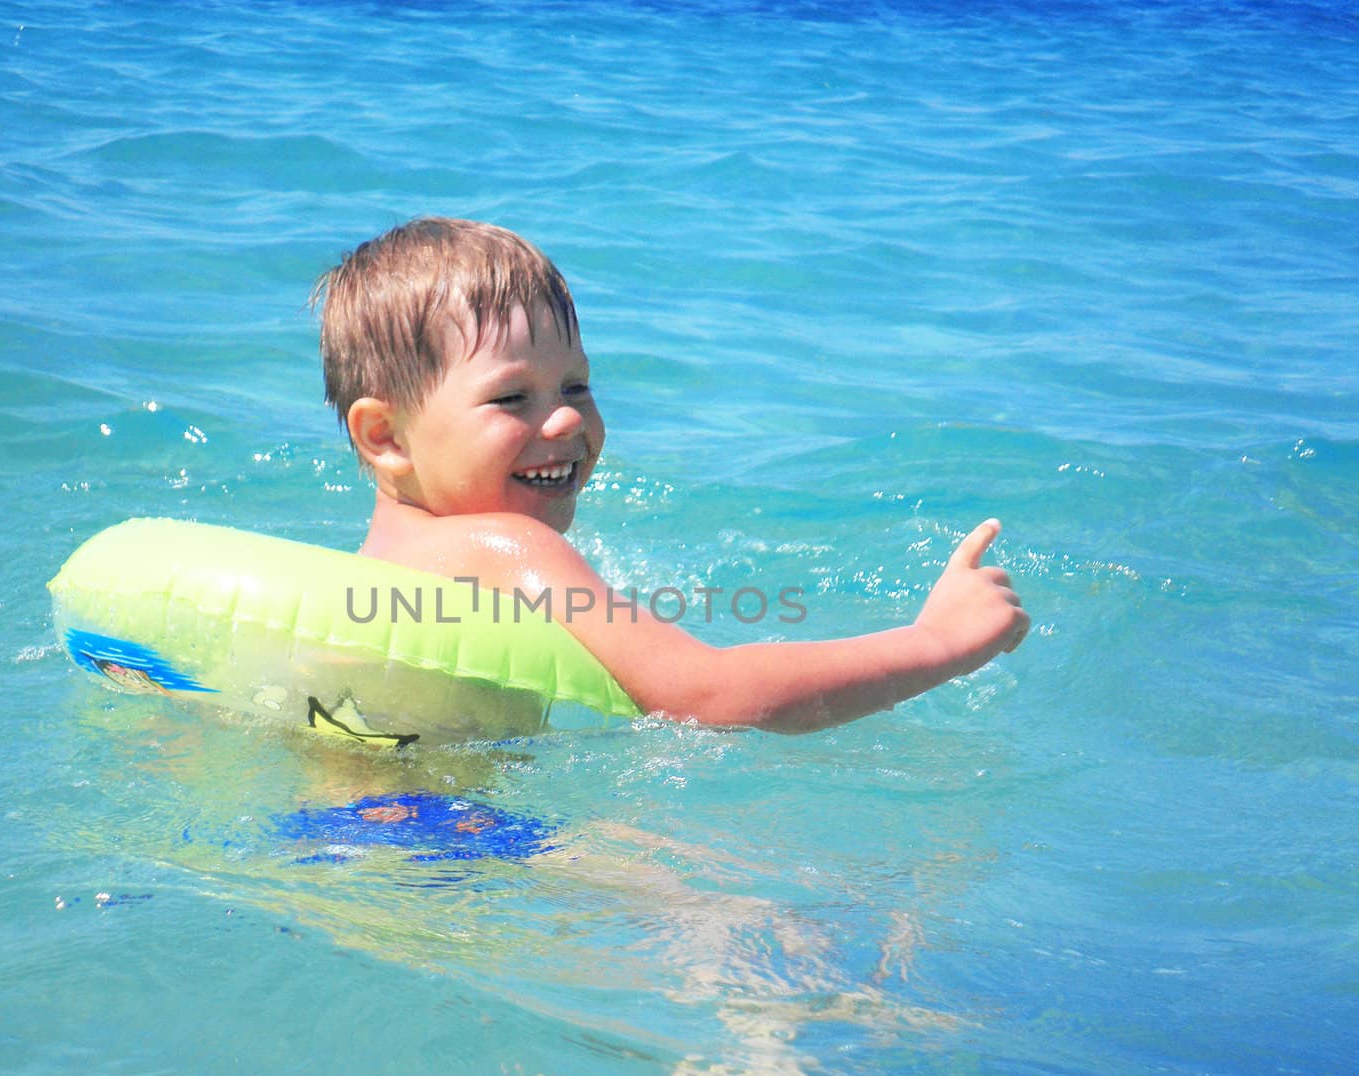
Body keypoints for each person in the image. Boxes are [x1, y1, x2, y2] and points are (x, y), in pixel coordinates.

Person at [312, 217, 1028, 734]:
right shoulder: (504, 548)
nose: (564, 422)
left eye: (576, 388)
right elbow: (709, 695)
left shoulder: (377, 570)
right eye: (511, 398)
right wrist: (940, 641)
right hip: (442, 839)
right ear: (385, 436)